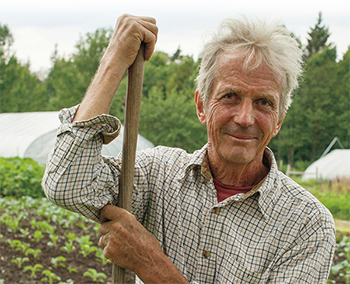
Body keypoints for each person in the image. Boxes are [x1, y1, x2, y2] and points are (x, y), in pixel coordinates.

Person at [42, 14, 335, 283]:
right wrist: (114, 60)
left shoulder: (306, 224)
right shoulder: (156, 174)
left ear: (279, 120)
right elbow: (67, 185)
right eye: (230, 96)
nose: (245, 118)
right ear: (201, 106)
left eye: (264, 102)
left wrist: (151, 264)